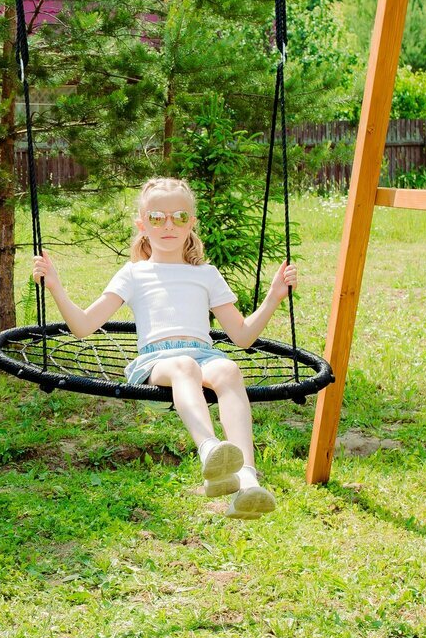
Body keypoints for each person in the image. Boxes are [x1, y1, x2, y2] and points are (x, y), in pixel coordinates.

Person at [32, 176, 297, 518]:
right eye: (157, 218)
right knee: (185, 365)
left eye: (179, 217)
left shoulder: (206, 275)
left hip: (204, 356)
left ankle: (246, 478)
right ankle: (209, 449)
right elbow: (83, 327)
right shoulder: (134, 273)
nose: (168, 225)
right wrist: (55, 286)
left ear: (191, 223)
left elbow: (242, 336)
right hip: (157, 363)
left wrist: (274, 297)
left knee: (229, 369)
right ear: (142, 225)